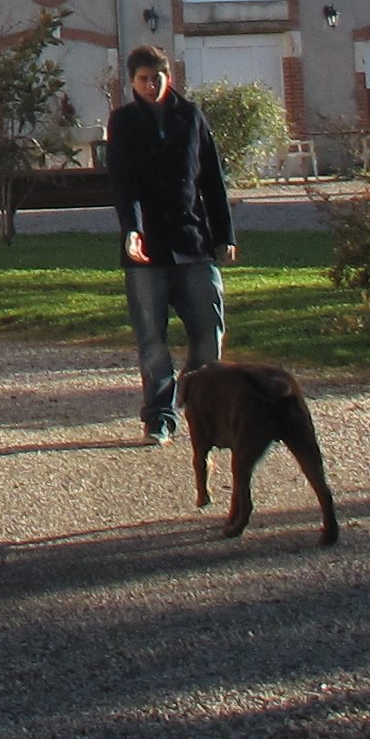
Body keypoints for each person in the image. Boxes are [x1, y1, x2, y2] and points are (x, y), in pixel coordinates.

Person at [101, 46, 238, 445]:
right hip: (147, 251)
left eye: (157, 77)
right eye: (143, 78)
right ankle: (159, 416)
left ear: (169, 77)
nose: (151, 85)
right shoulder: (123, 122)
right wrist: (131, 230)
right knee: (152, 340)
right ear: (132, 82)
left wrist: (224, 235)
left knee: (209, 332)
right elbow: (124, 185)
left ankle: (198, 405)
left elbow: (212, 181)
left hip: (192, 242)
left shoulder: (191, 117)